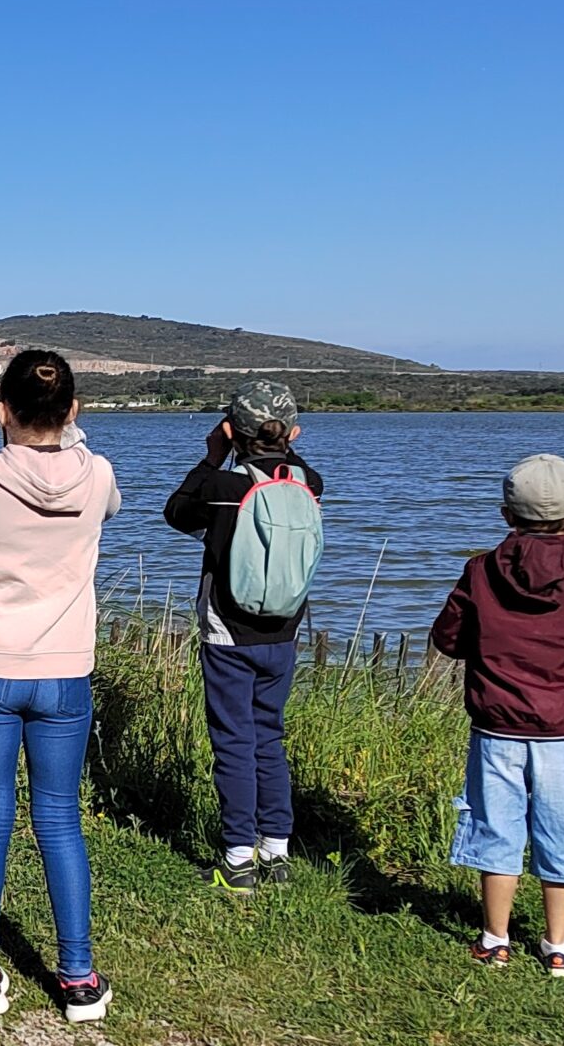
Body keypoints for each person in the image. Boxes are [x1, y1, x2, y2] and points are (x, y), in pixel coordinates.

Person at [0, 353, 121, 1023]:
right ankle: (77, 976)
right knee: (60, 820)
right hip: (65, 669)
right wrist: (70, 432)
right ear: (71, 410)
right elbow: (110, 503)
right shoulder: (96, 474)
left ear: (0, 406)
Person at [430, 454, 564, 979]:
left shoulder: (480, 572)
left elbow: (448, 640)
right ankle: (558, 948)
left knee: (495, 829)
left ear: (506, 515)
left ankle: (495, 939)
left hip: (496, 726)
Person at [162, 378, 325, 892]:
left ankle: (239, 856)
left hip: (229, 632)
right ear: (293, 432)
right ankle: (276, 848)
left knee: (233, 741)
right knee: (269, 736)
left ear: (231, 430)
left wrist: (212, 457)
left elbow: (175, 512)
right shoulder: (310, 483)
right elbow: (288, 465)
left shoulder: (224, 489)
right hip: (284, 630)